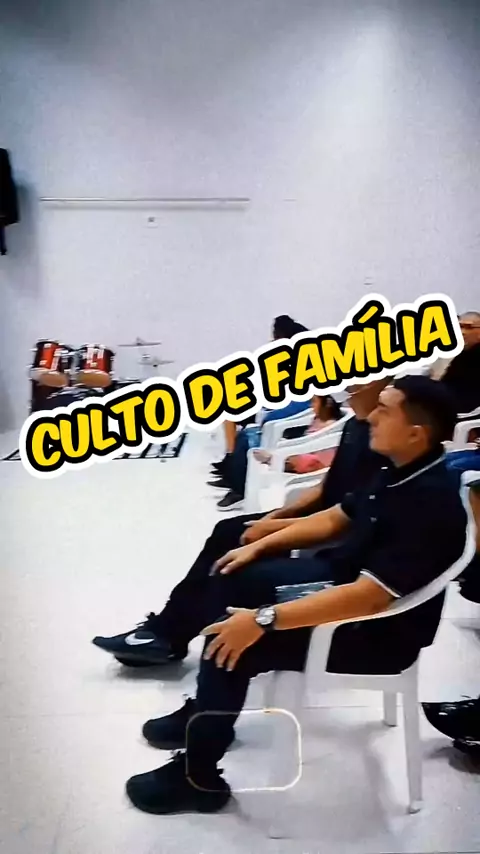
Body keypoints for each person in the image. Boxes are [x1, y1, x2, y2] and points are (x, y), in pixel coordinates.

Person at [124, 376, 468, 815]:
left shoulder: (430, 503)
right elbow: (337, 517)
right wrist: (262, 542)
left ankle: (198, 778)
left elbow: (369, 598)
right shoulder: (398, 469)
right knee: (235, 576)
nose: (372, 418)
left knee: (228, 640)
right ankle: (205, 712)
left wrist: (263, 620)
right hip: (345, 590)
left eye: (385, 410)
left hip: (375, 635)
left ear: (416, 433)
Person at [92, 379, 389, 666]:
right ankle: (166, 631)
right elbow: (326, 489)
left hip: (338, 538)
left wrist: (270, 532)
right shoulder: (356, 426)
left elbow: (345, 518)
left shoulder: (385, 442)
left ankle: (178, 635)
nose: (349, 384)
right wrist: (276, 516)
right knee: (229, 530)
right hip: (324, 518)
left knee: (237, 560)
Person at [216, 315, 310, 495]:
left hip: (286, 407)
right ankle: (230, 461)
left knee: (235, 415)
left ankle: (232, 465)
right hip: (275, 401)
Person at [253, 394, 343, 474]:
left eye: (314, 401)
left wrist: (275, 458)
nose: (311, 405)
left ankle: (271, 459)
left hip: (314, 465)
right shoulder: (318, 419)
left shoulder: (330, 426)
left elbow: (317, 457)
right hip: (303, 454)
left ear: (328, 404)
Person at [433, 311, 480, 415]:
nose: (462, 332)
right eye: (459, 327)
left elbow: (463, 392)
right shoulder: (458, 351)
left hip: (461, 407)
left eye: (469, 327)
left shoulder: (473, 356)